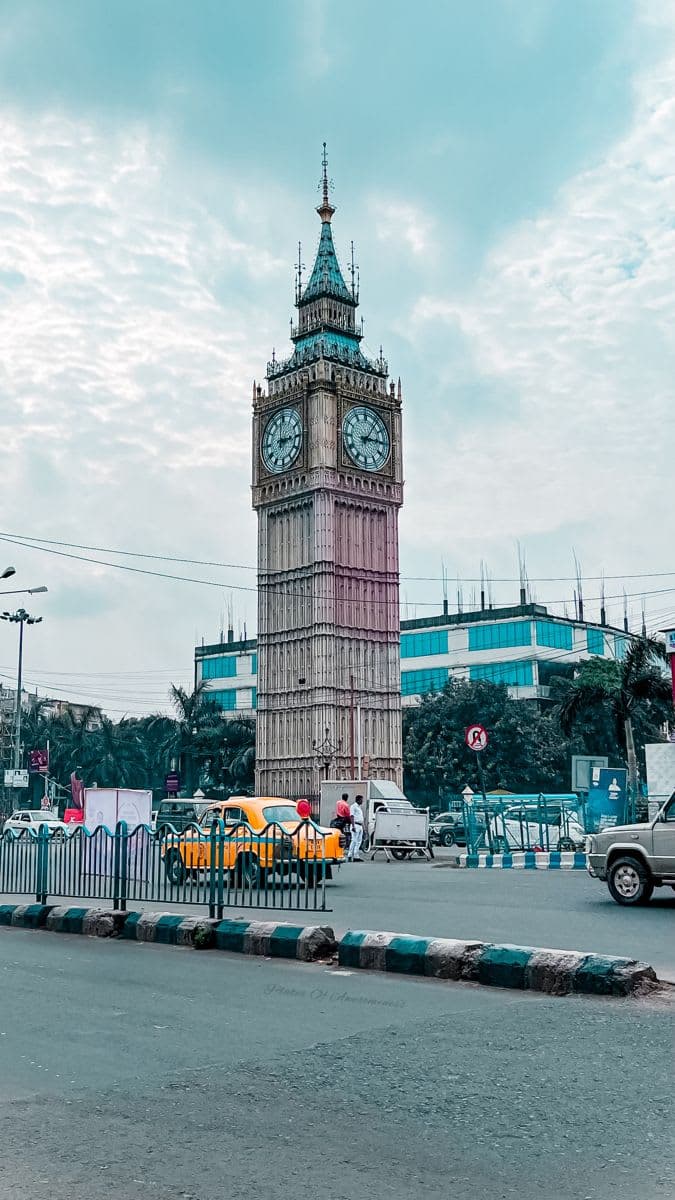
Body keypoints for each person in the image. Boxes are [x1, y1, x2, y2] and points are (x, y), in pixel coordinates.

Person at [347, 794, 364, 861]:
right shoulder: (353, 806)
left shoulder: (359, 807)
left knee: (359, 841)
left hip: (360, 825)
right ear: (358, 800)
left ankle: (356, 855)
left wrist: (363, 828)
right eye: (361, 800)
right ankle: (350, 855)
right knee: (354, 840)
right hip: (355, 825)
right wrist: (353, 826)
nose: (362, 801)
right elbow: (352, 816)